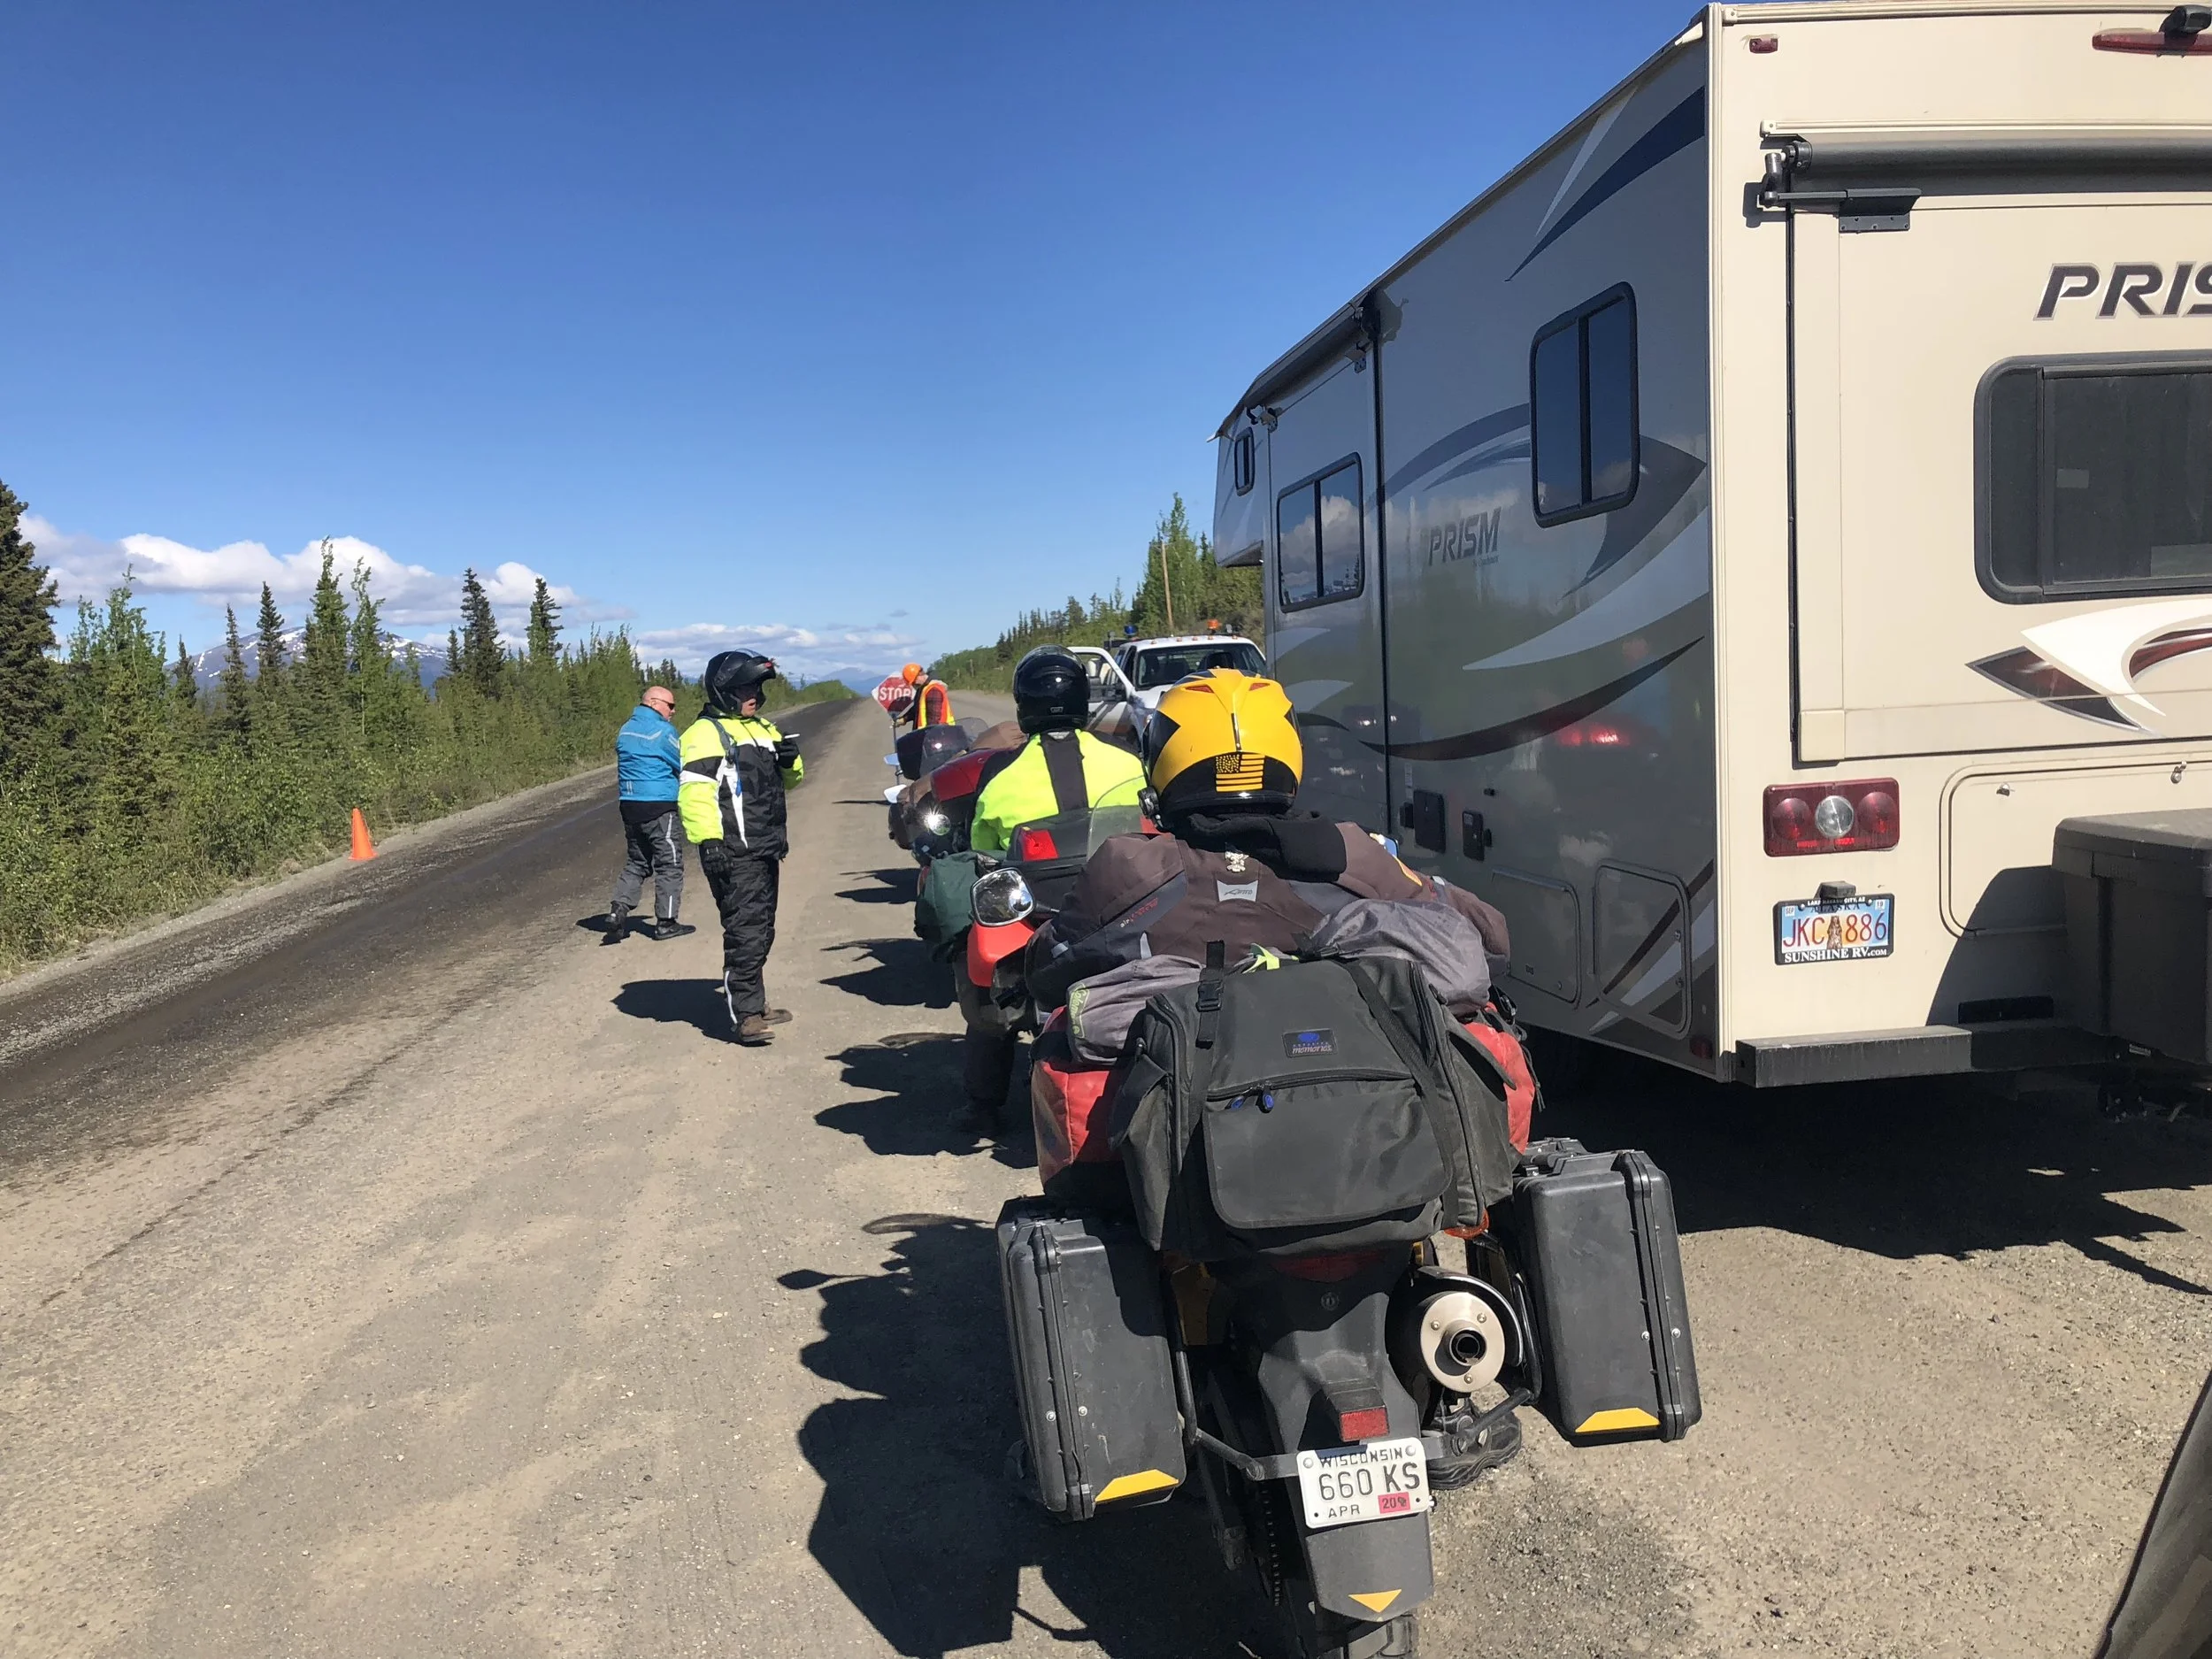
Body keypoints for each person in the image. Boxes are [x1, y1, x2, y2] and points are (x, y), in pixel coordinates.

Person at [1025, 668, 1509, 1013]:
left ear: (1162, 760)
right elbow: (1489, 937)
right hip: (1350, 1112)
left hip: (1173, 1119)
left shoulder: (1126, 865)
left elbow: (1048, 972)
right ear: (1288, 753)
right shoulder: (1351, 852)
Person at [955, 646, 1147, 1129]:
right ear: (1083, 698)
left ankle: (983, 1107)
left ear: (1024, 704)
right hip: (1120, 906)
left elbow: (984, 849)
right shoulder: (1127, 761)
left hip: (1038, 916)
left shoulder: (1001, 774)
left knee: (984, 995)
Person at [679, 650, 804, 1045]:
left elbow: (791, 783)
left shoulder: (763, 728)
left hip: (766, 846)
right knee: (745, 930)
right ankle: (746, 1015)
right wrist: (709, 841)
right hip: (732, 850)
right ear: (725, 691)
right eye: (745, 687)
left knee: (762, 929)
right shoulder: (704, 734)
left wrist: (790, 761)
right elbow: (695, 793)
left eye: (757, 687)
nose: (754, 694)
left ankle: (756, 1000)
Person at [605, 683, 695, 942]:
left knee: (638, 861)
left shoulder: (625, 730)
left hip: (629, 803)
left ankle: (618, 910)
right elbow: (680, 762)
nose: (673, 711)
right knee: (670, 862)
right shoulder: (663, 732)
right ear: (655, 703)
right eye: (671, 706)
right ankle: (666, 922)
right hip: (658, 805)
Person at [898, 662, 956, 730]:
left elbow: (934, 719)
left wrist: (928, 736)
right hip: (935, 733)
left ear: (918, 676)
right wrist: (904, 719)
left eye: (913, 682)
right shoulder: (923, 689)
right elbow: (917, 708)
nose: (914, 685)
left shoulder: (933, 690)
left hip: (940, 733)